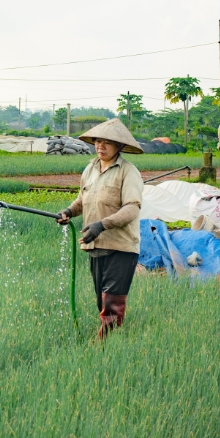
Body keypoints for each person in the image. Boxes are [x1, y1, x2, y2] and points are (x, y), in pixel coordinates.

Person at [56, 119, 145, 339]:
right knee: (101, 301)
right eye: (97, 141)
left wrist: (102, 224)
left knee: (112, 303)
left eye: (107, 142)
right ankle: (110, 342)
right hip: (95, 244)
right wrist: (68, 211)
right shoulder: (90, 169)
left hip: (121, 247)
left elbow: (132, 208)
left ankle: (106, 346)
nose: (100, 146)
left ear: (120, 146)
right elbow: (82, 200)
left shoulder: (128, 172)